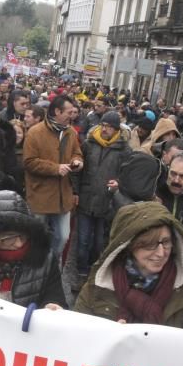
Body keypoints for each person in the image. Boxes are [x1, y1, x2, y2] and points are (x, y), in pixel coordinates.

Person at [75, 201, 183, 332]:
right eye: (150, 244)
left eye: (166, 242)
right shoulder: (96, 289)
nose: (161, 253)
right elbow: (79, 342)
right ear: (128, 246)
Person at [23, 94, 82, 259]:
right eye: (69, 112)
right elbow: (29, 162)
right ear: (57, 111)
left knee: (63, 236)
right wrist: (54, 168)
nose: (72, 116)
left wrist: (77, 161)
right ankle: (35, 263)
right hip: (40, 194)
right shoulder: (35, 132)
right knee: (36, 236)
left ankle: (51, 262)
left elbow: (77, 153)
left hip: (63, 196)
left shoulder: (70, 132)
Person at [75, 110, 130, 285]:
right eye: (103, 125)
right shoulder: (89, 144)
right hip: (86, 198)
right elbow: (78, 172)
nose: (105, 129)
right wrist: (76, 192)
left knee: (99, 242)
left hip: (107, 203)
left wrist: (119, 184)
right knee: (83, 240)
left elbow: (127, 174)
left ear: (116, 129)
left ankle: (94, 271)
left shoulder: (125, 150)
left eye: (109, 126)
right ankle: (80, 272)